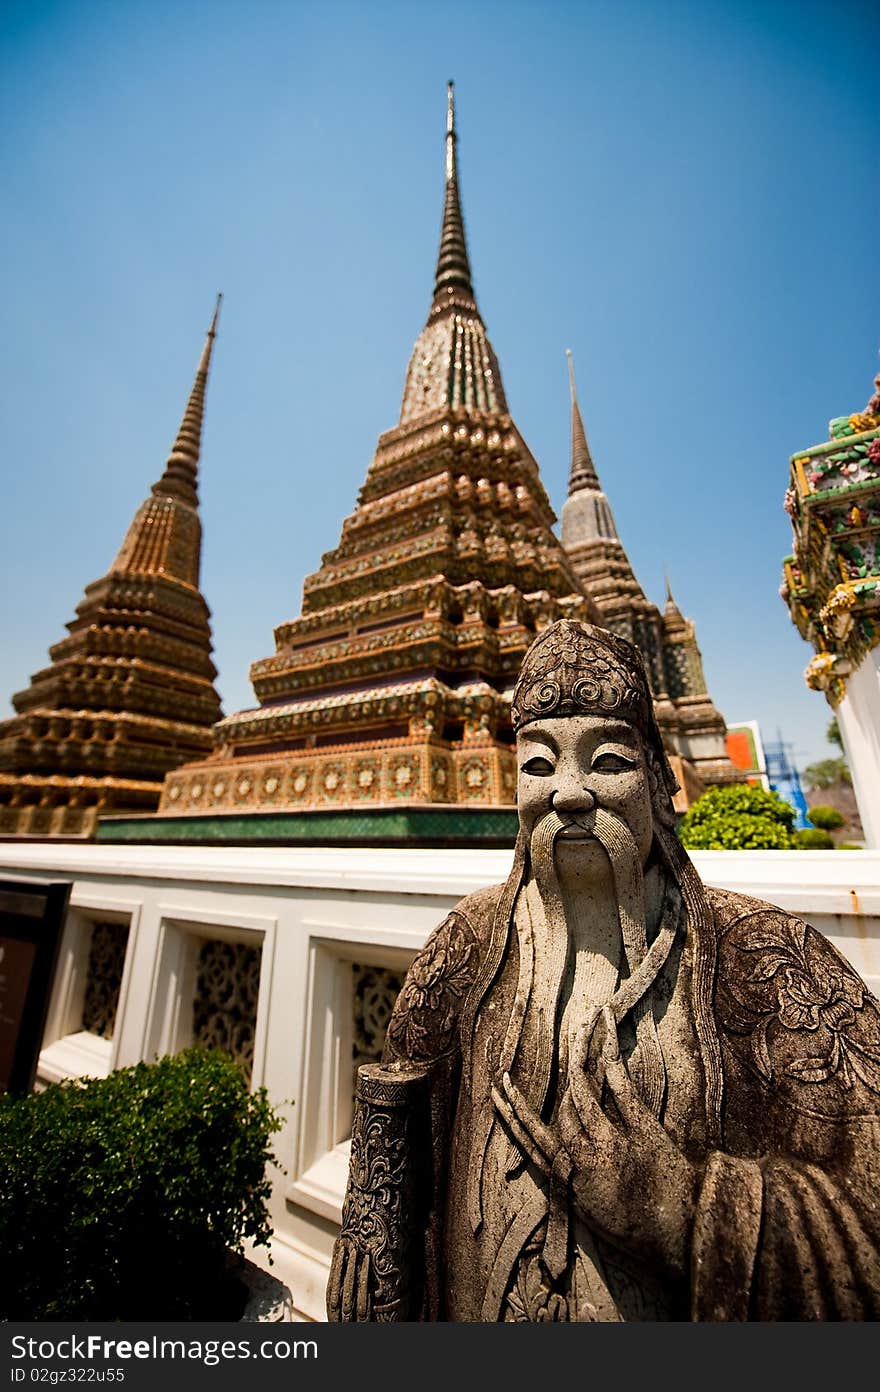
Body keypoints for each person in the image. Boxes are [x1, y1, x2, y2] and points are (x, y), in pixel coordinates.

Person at [328, 620, 880, 1321]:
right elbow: (392, 1146)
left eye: (608, 761)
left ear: (658, 779)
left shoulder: (765, 960)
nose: (569, 793)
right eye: (537, 766)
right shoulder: (464, 948)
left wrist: (689, 1204)